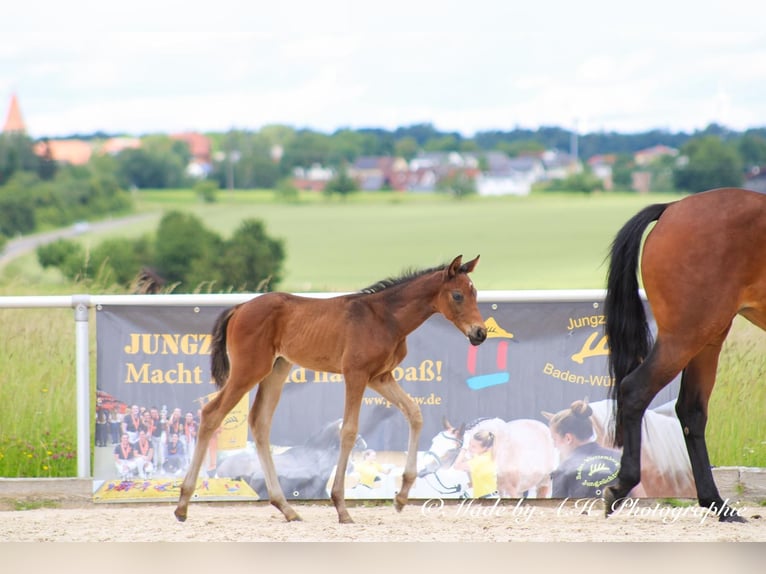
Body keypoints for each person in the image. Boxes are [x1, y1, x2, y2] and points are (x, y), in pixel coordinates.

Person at [545, 399, 621, 498]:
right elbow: (640, 500)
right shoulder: (622, 459)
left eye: (555, 439)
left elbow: (557, 511)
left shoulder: (563, 470)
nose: (555, 445)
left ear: (568, 438)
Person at [453, 429, 498, 498]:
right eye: (469, 444)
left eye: (474, 447)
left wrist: (464, 448)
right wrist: (466, 486)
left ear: (485, 448)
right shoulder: (488, 456)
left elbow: (457, 466)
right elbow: (480, 481)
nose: (470, 448)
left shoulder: (480, 461)